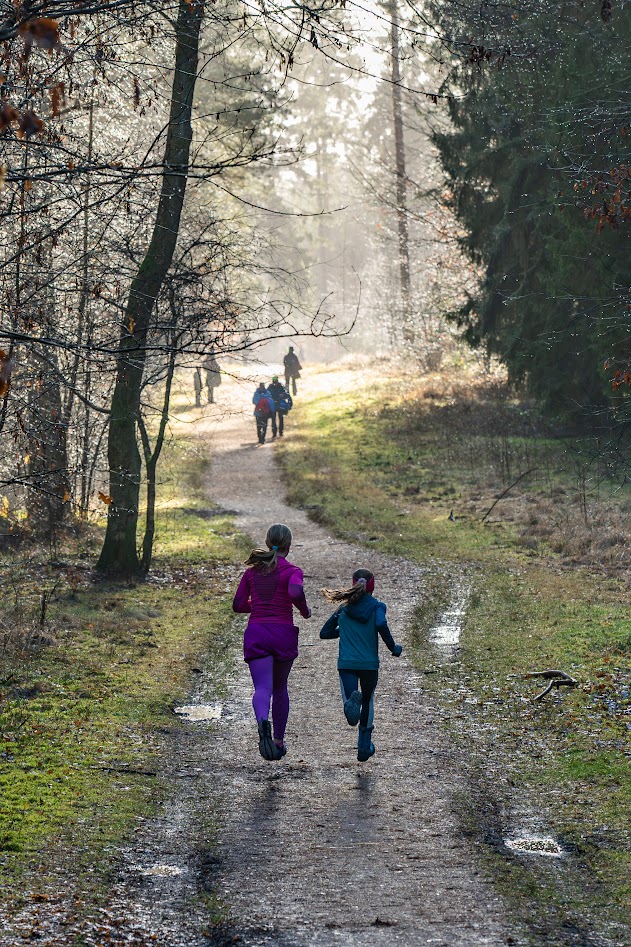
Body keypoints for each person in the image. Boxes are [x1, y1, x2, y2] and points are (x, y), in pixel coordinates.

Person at [233, 524, 311, 760]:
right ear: (289, 545)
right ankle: (278, 741)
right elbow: (296, 593)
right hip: (282, 634)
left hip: (257, 632)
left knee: (262, 688)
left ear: (268, 543)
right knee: (280, 688)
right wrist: (305, 611)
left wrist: (255, 606)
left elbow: (237, 605)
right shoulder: (293, 571)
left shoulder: (251, 573)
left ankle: (262, 723)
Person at [320, 569, 402, 762]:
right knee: (368, 701)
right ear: (372, 587)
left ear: (353, 584)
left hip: (347, 663)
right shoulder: (378, 606)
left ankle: (350, 710)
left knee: (352, 701)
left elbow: (324, 632)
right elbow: (381, 624)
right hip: (369, 665)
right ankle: (364, 747)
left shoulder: (344, 608)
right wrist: (393, 647)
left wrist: (345, 631)